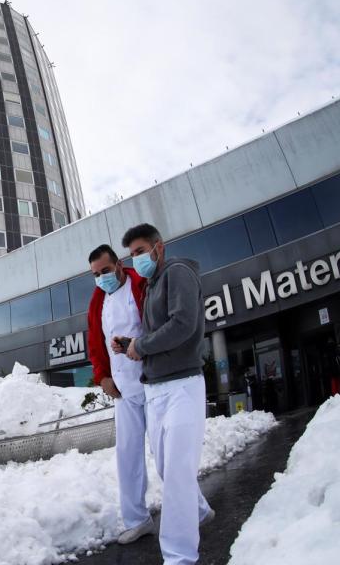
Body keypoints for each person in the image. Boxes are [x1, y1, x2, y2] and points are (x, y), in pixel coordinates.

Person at [112, 223, 214, 565]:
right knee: (169, 470)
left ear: (159, 247)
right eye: (132, 254)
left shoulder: (178, 272)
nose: (136, 259)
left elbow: (183, 324)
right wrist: (132, 345)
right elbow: (154, 335)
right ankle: (198, 511)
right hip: (155, 388)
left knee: (179, 474)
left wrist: (141, 345)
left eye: (140, 251)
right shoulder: (150, 287)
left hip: (183, 385)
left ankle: (179, 557)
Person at [85, 244, 153, 545]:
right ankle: (137, 520)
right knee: (127, 457)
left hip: (153, 381)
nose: (102, 278)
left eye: (106, 271)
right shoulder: (98, 301)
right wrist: (102, 377)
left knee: (167, 455)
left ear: (119, 264)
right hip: (123, 390)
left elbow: (156, 326)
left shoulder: (141, 284)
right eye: (96, 274)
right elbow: (95, 343)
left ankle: (196, 509)